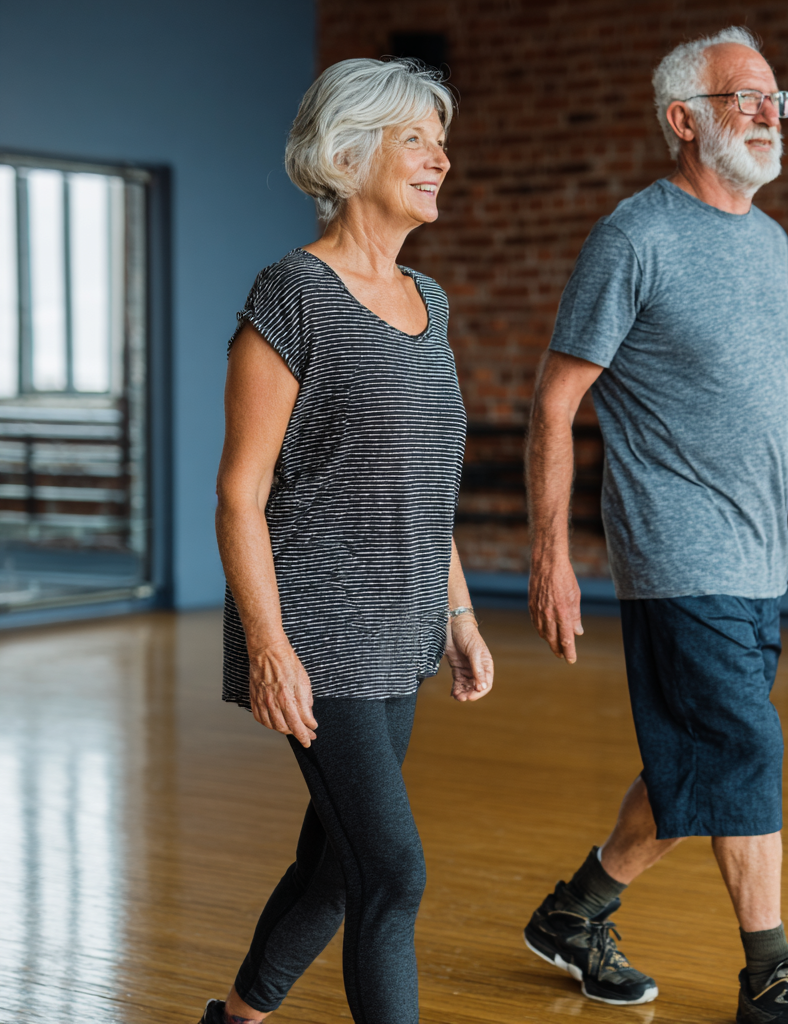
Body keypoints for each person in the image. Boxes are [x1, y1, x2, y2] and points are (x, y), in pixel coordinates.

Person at [522, 26, 788, 1024]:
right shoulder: (634, 237)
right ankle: (772, 977)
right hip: (674, 551)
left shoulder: (767, 243)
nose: (769, 113)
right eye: (744, 97)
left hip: (756, 553)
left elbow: (781, 395)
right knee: (743, 749)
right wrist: (548, 556)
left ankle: (576, 911)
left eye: (777, 96)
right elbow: (555, 401)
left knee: (694, 766)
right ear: (682, 120)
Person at [198, 58, 494, 1024]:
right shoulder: (292, 294)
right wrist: (271, 648)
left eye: (438, 141)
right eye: (417, 139)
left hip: (401, 630)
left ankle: (235, 1019)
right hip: (317, 632)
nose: (440, 159)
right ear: (349, 149)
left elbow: (426, 482)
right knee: (393, 873)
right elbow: (240, 493)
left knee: (335, 864)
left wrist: (458, 612)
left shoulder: (427, 301)